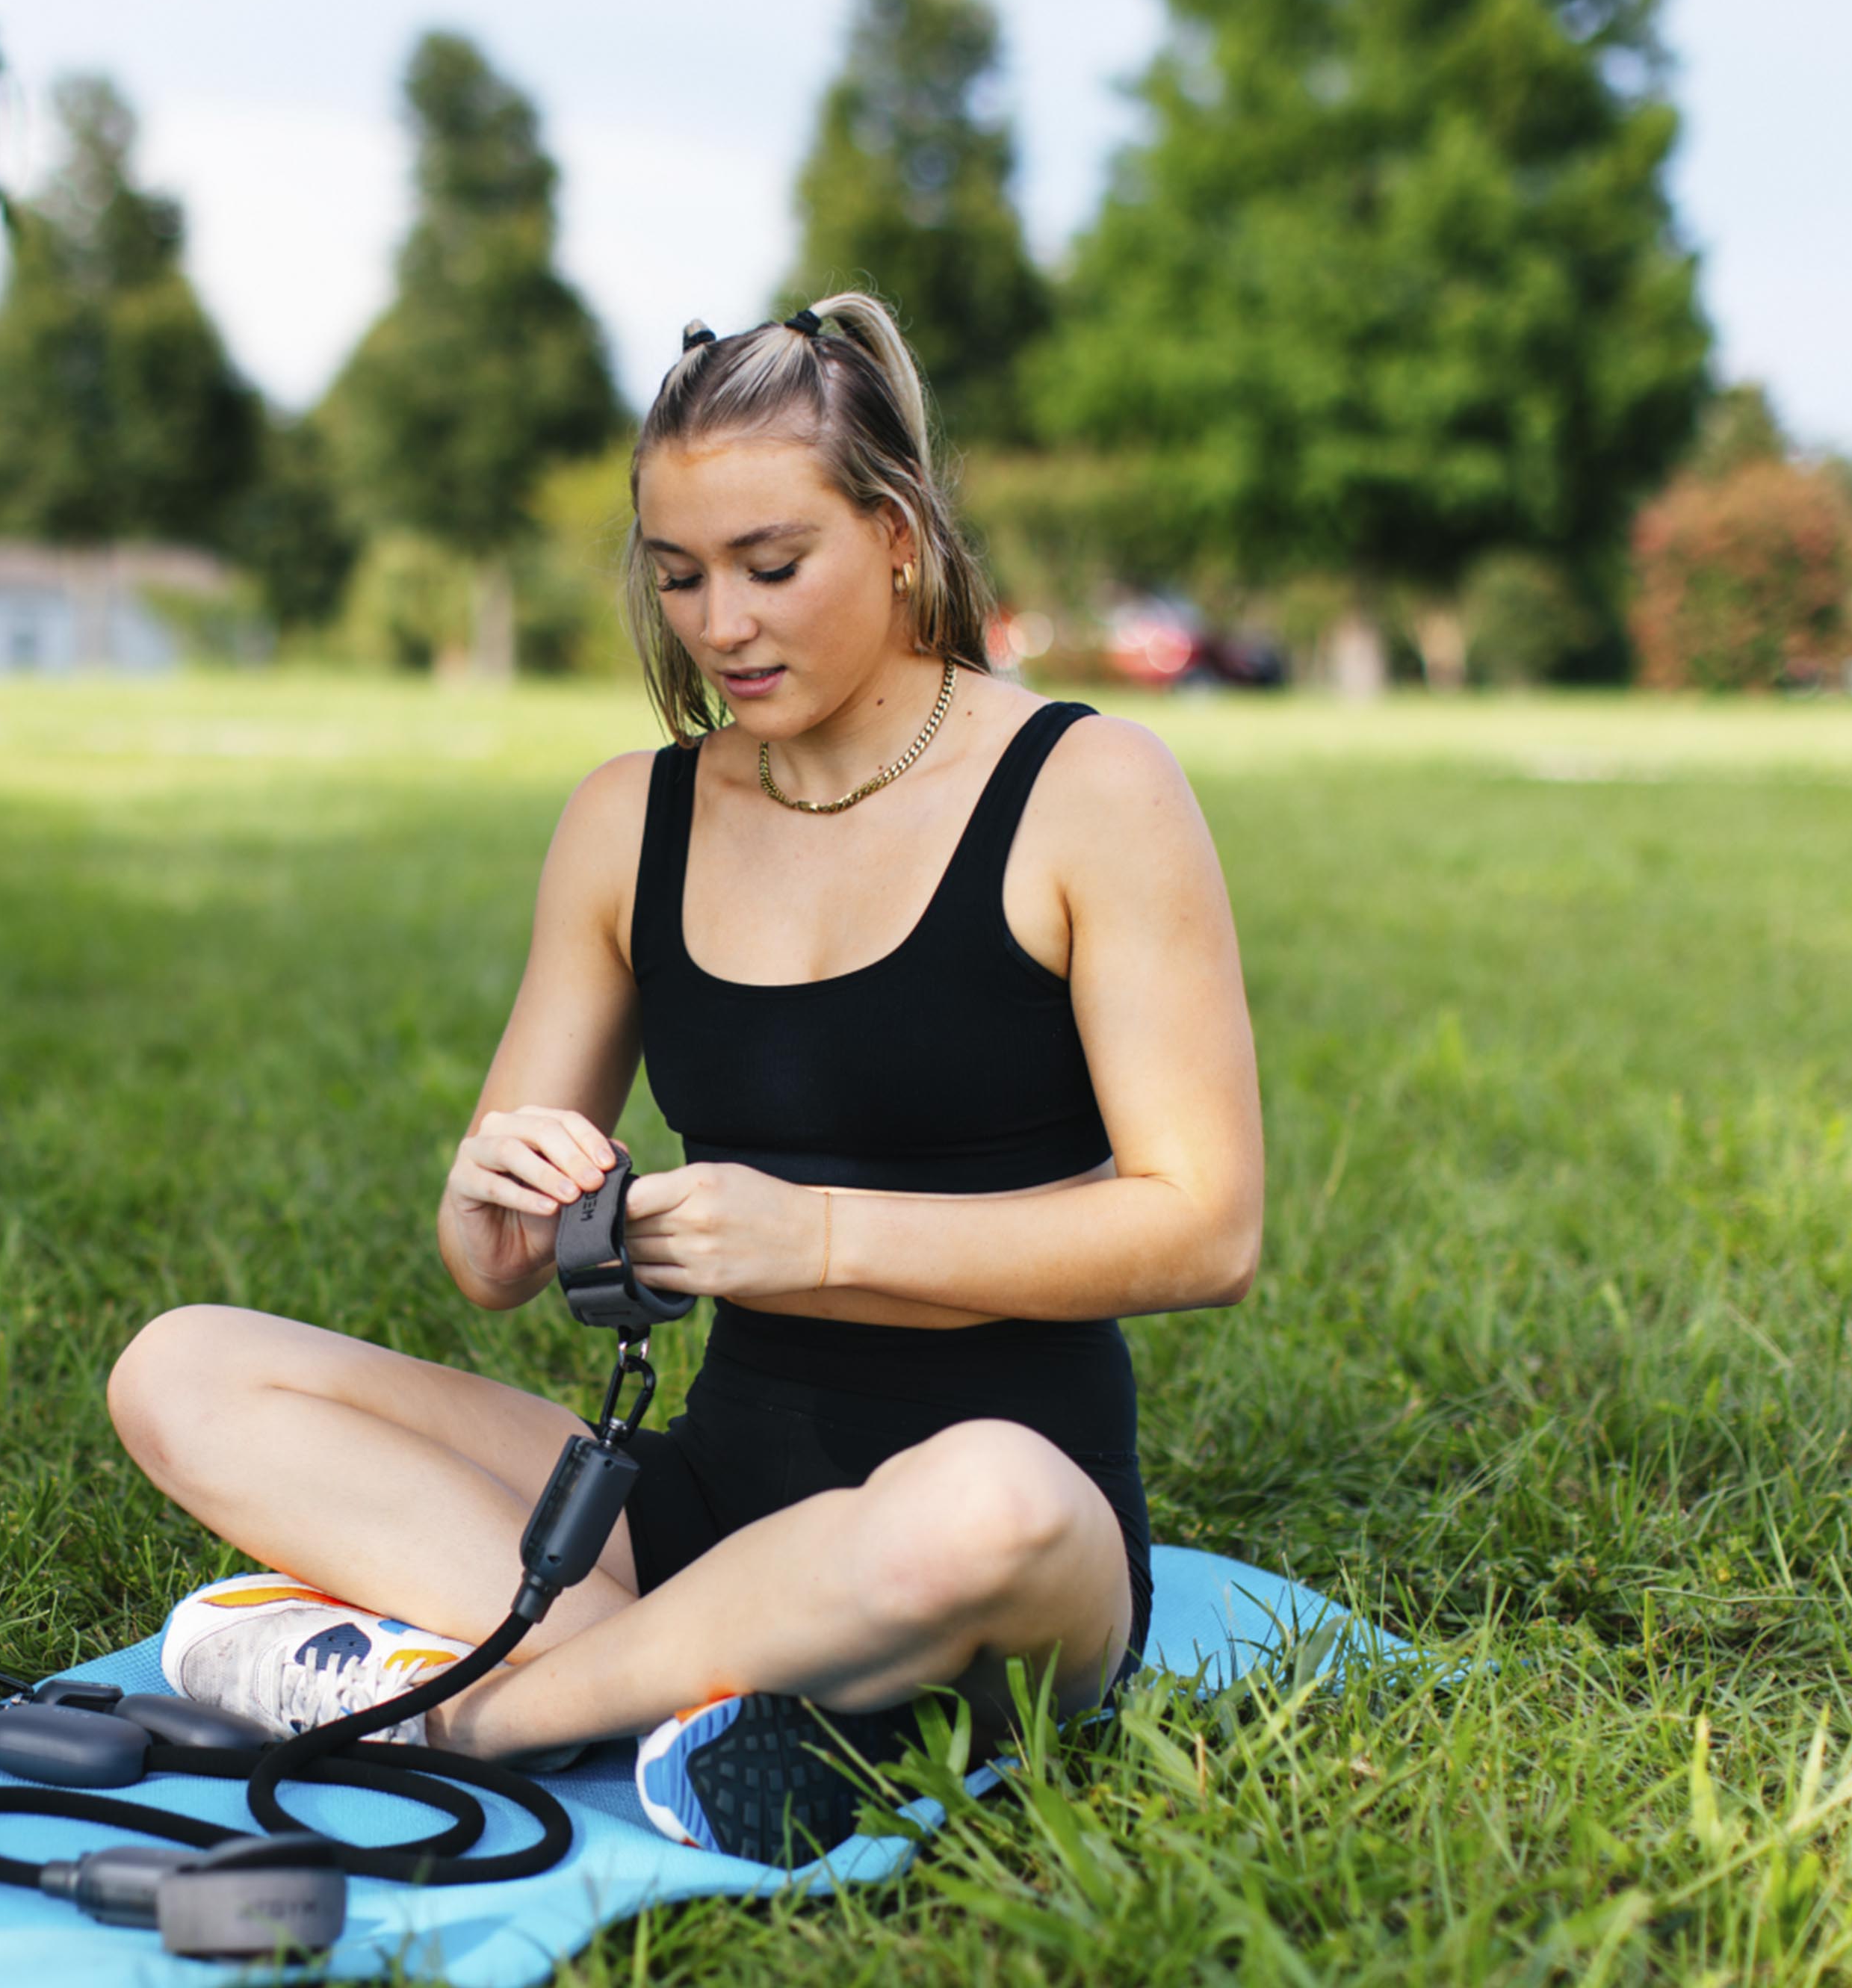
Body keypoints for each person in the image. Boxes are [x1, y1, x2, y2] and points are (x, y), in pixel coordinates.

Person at [109, 293, 1263, 1865]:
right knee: (181, 1367)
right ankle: (704, 1681)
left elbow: (1202, 1231)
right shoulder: (624, 820)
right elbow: (491, 1264)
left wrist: (823, 1239)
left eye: (771, 567)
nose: (719, 624)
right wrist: (496, 1203)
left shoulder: (1088, 790)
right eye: (677, 577)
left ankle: (483, 1709)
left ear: (901, 536)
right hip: (691, 1507)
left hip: (1000, 1522)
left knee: (982, 1505)